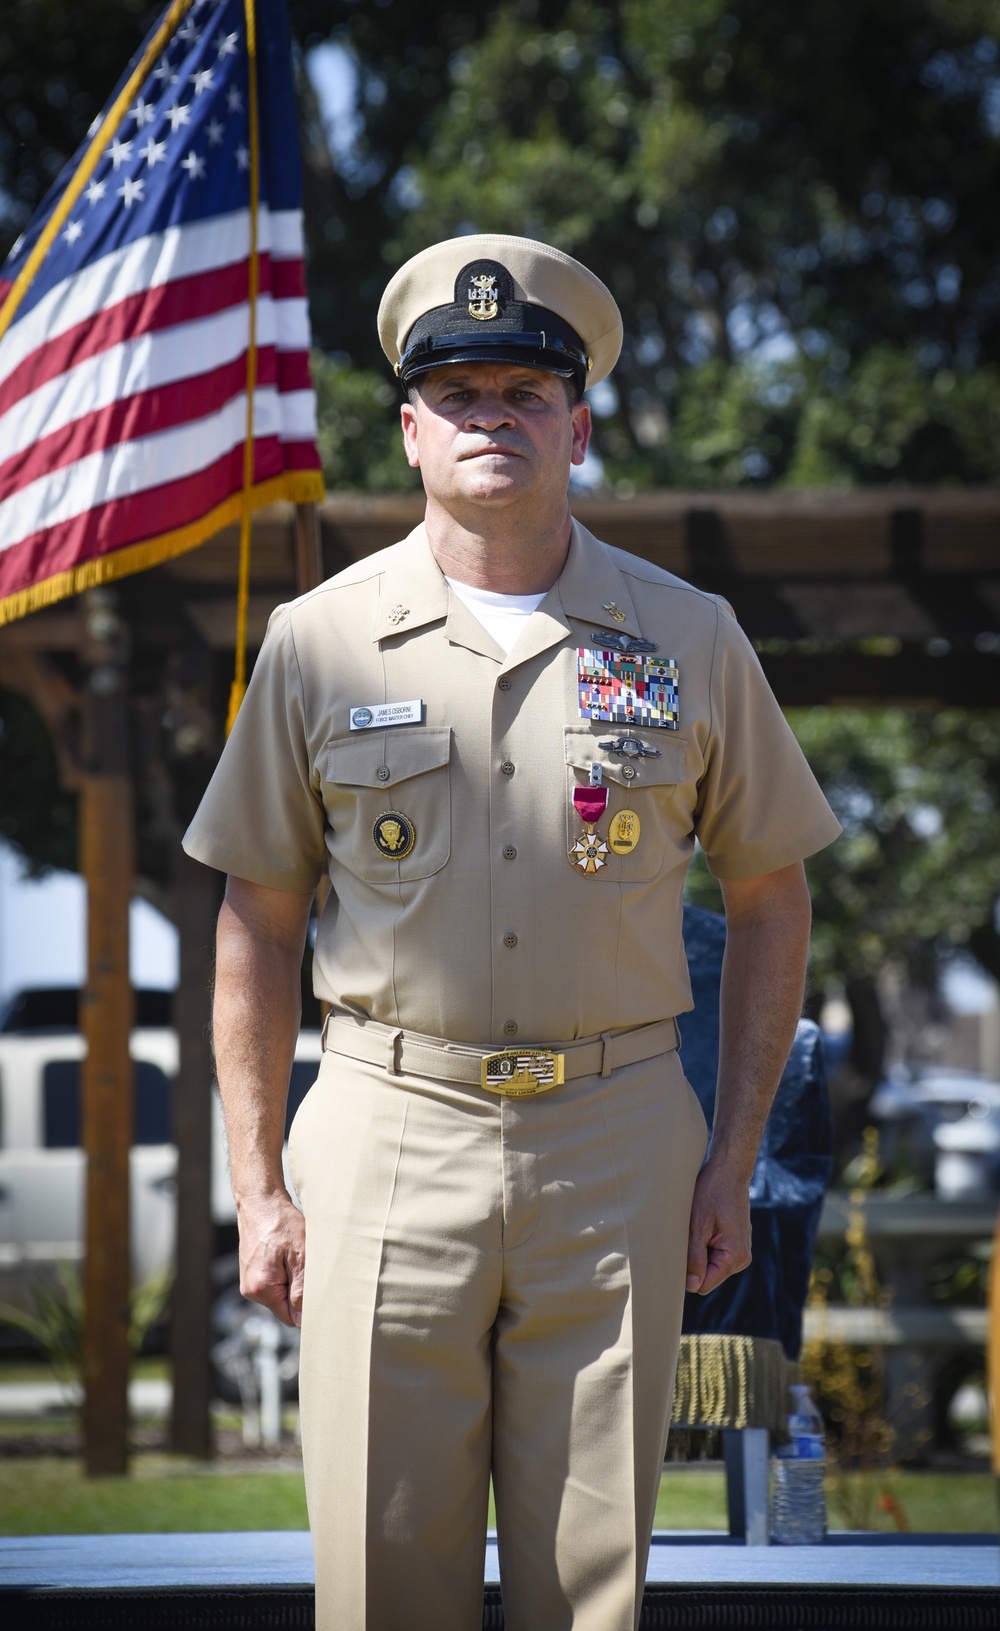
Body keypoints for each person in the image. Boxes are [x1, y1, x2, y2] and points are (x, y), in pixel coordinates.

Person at [183, 233, 841, 1631]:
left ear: (579, 426)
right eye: (463, 391)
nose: (496, 415)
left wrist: (731, 1156)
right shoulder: (316, 640)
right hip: (381, 1128)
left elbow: (771, 894)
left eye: (527, 391)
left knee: (590, 1593)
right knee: (381, 1579)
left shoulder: (691, 637)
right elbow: (256, 917)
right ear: (412, 429)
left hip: (615, 1148)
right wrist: (258, 1184)